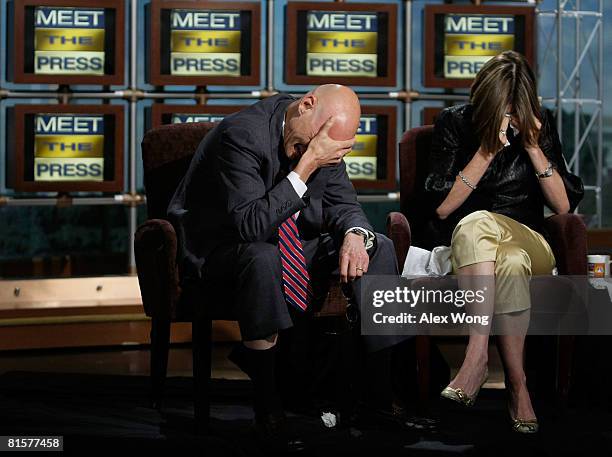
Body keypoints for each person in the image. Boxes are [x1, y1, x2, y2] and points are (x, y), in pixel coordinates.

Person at [167, 84, 403, 450]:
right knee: (262, 256)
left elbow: (344, 203)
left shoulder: (322, 141)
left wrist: (356, 233)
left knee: (379, 246)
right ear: (306, 105)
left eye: (329, 154)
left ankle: (379, 395)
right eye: (316, 146)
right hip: (223, 247)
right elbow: (250, 226)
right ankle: (268, 407)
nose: (319, 154)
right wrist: (308, 163)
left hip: (290, 242)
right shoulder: (240, 136)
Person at [424, 51, 584, 433]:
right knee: (506, 258)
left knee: (484, 226)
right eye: (501, 108)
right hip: (473, 248)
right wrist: (486, 152)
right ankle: (518, 385)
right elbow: (443, 209)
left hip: (530, 239)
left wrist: (531, 144)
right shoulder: (454, 123)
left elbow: (562, 205)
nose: (508, 116)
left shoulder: (540, 126)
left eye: (515, 108)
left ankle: (476, 356)